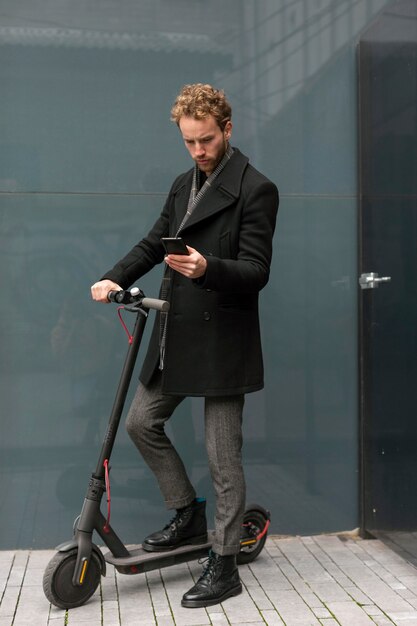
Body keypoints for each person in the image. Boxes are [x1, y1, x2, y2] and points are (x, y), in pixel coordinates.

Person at [91, 83, 279, 608]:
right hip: (177, 332)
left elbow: (257, 271)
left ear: (227, 129)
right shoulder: (182, 185)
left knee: (223, 456)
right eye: (190, 142)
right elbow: (155, 242)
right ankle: (187, 512)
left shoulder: (256, 188)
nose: (199, 150)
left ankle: (224, 564)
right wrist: (111, 277)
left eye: (207, 140)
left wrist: (207, 268)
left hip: (223, 338)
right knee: (140, 424)